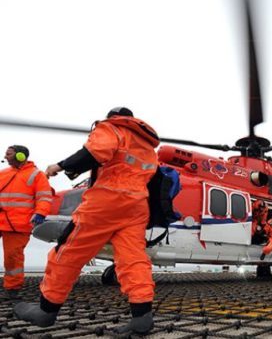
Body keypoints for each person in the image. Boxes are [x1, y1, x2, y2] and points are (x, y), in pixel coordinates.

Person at [14, 107, 160, 335]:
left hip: (107, 200)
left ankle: (46, 310)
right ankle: (142, 315)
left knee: (68, 251)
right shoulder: (148, 148)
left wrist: (59, 166)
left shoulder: (113, 128)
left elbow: (95, 153)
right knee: (133, 259)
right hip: (136, 206)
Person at [0, 145, 52, 299]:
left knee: (12, 257)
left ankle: (12, 289)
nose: (5, 156)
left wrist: (41, 213)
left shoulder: (37, 175)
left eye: (8, 154)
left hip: (18, 224)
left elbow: (44, 197)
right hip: (2, 219)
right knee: (12, 256)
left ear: (21, 156)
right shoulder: (3, 173)